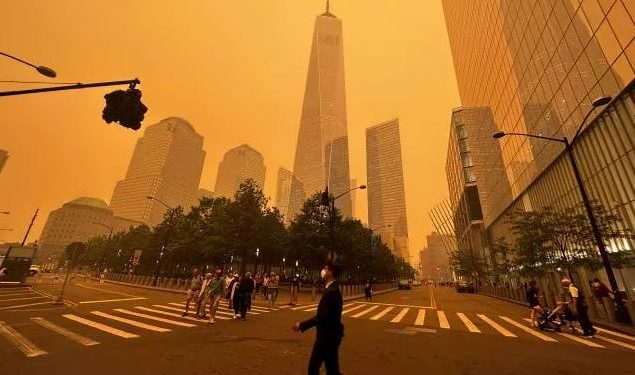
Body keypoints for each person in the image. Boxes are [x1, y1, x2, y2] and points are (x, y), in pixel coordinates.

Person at [293, 262, 344, 375]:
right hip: (332, 335)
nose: (323, 270)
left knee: (313, 366)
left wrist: (301, 325)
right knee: (332, 370)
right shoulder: (332, 289)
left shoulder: (332, 291)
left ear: (330, 272)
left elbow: (321, 317)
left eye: (325, 268)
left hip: (327, 336)